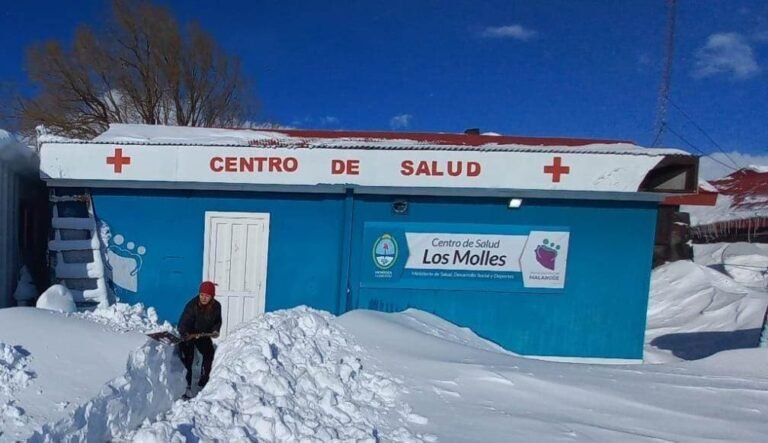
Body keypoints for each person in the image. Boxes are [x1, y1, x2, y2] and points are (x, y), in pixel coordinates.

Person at [177, 281, 222, 396]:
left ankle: (205, 378)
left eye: (207, 296)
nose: (203, 298)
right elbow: (183, 323)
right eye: (202, 295)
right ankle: (186, 386)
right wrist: (185, 334)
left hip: (203, 335)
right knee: (188, 359)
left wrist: (215, 330)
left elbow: (217, 321)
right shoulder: (192, 305)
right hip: (189, 335)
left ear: (212, 296)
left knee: (209, 354)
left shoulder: (216, 306)